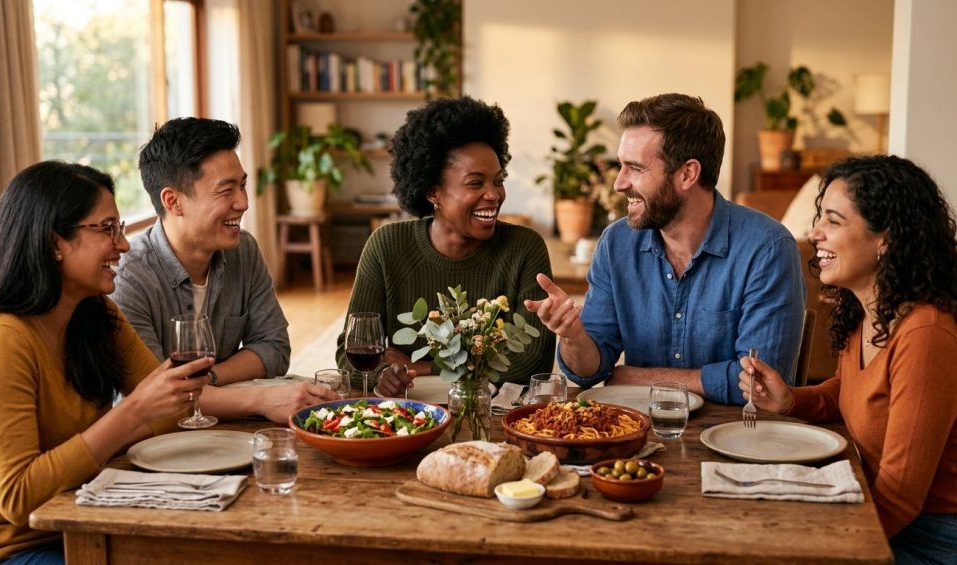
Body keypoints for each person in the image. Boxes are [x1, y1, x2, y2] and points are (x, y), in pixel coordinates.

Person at [0, 162, 211, 564]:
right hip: (6, 550)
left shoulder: (95, 315)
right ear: (55, 241)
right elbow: (17, 498)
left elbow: (167, 413)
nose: (123, 245)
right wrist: (130, 413)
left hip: (83, 517)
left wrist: (147, 408)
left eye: (120, 227)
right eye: (106, 229)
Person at [739, 156, 957, 563]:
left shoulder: (925, 334)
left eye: (833, 221)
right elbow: (848, 389)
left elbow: (901, 496)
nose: (814, 232)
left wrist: (829, 551)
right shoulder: (867, 312)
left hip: (930, 536)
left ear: (885, 239)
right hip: (874, 507)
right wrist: (790, 400)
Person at [525, 93, 805, 405]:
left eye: (635, 168)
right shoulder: (616, 243)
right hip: (636, 434)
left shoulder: (767, 249)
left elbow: (761, 386)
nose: (618, 183)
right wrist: (572, 335)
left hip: (734, 438)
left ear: (687, 174)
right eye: (621, 166)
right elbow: (590, 371)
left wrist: (636, 378)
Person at [111, 117, 335, 423]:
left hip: (228, 426)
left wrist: (209, 379)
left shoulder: (243, 250)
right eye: (225, 191)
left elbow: (274, 348)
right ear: (173, 201)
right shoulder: (128, 278)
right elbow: (155, 397)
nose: (243, 203)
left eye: (242, 185)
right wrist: (260, 398)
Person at [339, 96, 556, 395]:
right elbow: (350, 354)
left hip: (491, 414)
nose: (493, 195)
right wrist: (385, 374)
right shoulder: (386, 246)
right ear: (432, 192)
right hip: (408, 411)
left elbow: (533, 360)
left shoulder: (525, 248)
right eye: (476, 183)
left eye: (498, 180)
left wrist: (424, 368)